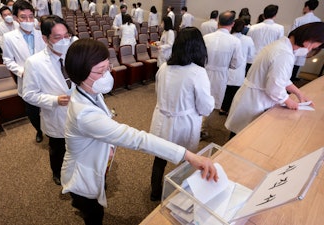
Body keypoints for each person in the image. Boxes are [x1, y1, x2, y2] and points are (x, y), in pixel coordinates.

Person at [61, 38, 218, 225]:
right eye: (100, 71)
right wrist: (188, 155)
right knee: (94, 213)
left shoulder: (89, 91)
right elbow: (136, 139)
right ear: (80, 74)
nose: (107, 75)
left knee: (93, 200)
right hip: (82, 173)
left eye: (107, 67)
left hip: (95, 162)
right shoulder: (84, 113)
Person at [225, 22, 324, 138]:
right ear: (309, 40)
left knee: (239, 134)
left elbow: (281, 78)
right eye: (313, 47)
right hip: (256, 100)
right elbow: (274, 87)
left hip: (252, 96)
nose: (310, 50)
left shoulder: (280, 45)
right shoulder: (284, 54)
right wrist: (288, 101)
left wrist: (298, 93)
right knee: (242, 138)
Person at [149, 27, 215, 201]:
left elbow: (158, 92)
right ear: (199, 47)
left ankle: (155, 192)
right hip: (184, 122)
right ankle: (182, 195)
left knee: (160, 157)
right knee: (189, 160)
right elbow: (205, 107)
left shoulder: (164, 67)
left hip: (162, 119)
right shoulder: (197, 72)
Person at [23, 15, 77, 186]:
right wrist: (54, 100)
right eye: (57, 37)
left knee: (77, 144)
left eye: (66, 36)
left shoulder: (73, 53)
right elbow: (29, 94)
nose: (64, 41)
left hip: (78, 110)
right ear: (45, 38)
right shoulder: (34, 62)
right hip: (56, 114)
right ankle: (57, 173)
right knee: (58, 148)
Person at [3, 0, 46, 143]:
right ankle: (39, 131)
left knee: (49, 107)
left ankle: (52, 130)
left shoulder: (42, 34)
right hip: (26, 79)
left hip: (45, 77)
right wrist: (22, 72)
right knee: (32, 111)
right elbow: (8, 60)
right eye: (23, 17)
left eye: (30, 16)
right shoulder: (9, 38)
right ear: (16, 18)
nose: (28, 20)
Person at [203, 11, 243, 110]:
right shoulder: (235, 41)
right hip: (221, 74)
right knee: (214, 100)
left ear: (218, 22)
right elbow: (236, 63)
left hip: (204, 71)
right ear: (232, 24)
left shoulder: (206, 37)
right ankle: (207, 122)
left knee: (202, 97)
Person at [220, 19, 255, 115]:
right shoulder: (248, 40)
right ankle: (230, 109)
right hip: (239, 69)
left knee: (225, 89)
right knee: (234, 91)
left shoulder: (227, 38)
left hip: (226, 67)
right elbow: (251, 55)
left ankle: (222, 108)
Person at [290, 0, 321, 81]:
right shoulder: (318, 21)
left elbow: (292, 33)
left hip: (296, 44)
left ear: (306, 7)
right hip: (307, 46)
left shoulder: (299, 19)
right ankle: (293, 80)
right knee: (297, 65)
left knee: (290, 64)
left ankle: (289, 80)